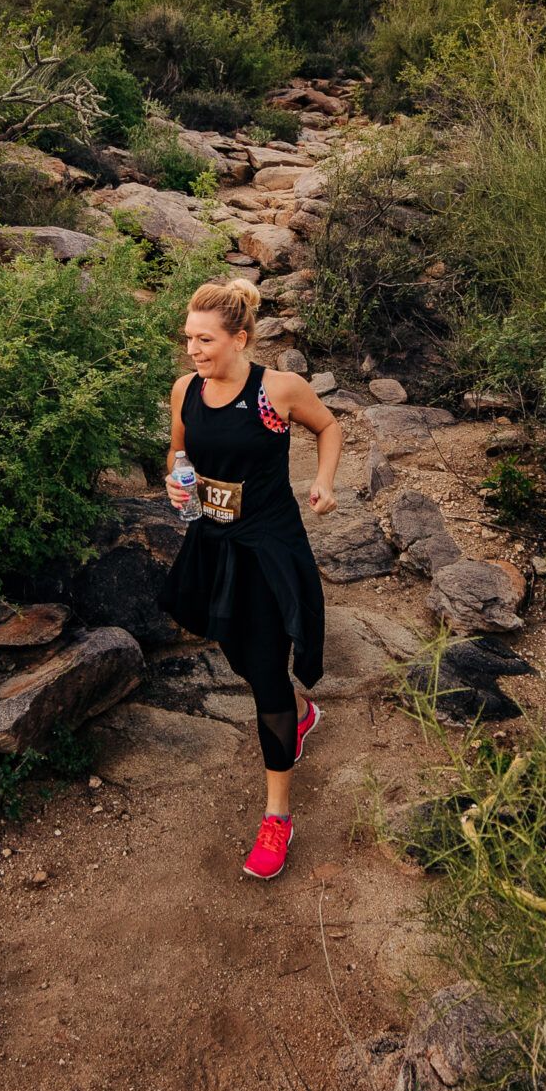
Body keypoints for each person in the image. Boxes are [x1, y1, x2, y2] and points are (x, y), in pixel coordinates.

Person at [156, 278, 341, 880]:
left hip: (266, 547)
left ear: (240, 338)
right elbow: (179, 454)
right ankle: (297, 709)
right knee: (235, 649)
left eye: (205, 340)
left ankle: (277, 816)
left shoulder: (276, 391)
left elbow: (330, 428)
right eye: (189, 338)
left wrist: (325, 482)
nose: (194, 350)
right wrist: (177, 482)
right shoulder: (185, 389)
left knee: (263, 670)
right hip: (213, 542)